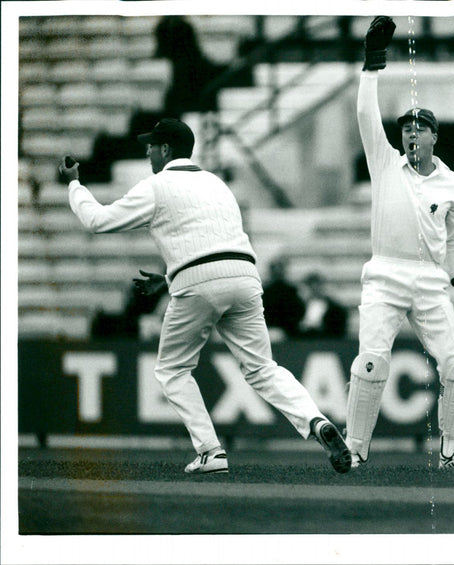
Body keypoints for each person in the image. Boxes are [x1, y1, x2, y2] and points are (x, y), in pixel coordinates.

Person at [58, 118, 351, 474]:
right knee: (262, 369)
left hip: (198, 281)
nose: (148, 151)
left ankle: (211, 451)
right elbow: (214, 246)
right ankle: (315, 421)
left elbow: (98, 221)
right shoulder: (217, 184)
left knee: (172, 370)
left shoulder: (157, 185)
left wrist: (75, 185)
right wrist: (167, 279)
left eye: (151, 145)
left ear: (165, 149)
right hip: (244, 275)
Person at [345, 16, 454, 471]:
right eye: (405, 128)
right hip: (385, 274)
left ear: (433, 136)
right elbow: (366, 115)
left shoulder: (452, 183)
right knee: (371, 362)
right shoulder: (385, 163)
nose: (409, 133)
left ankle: (450, 451)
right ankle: (355, 450)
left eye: (418, 128)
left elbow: (453, 239)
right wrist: (372, 64)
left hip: (430, 280)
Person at [262, 256, 306, 338]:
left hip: (289, 331)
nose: (278, 273)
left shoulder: (292, 291)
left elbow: (298, 311)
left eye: (280, 270)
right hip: (268, 329)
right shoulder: (264, 291)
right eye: (276, 271)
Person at [298, 271, 349, 338]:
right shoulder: (298, 307)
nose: (314, 289)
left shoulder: (335, 308)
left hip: (325, 339)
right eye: (311, 286)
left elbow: (339, 329)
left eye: (317, 286)